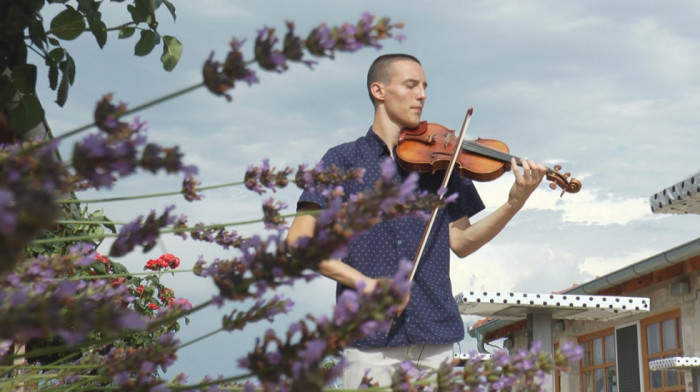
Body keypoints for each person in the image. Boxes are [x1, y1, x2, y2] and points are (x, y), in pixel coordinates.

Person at [286, 53, 547, 388]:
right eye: (411, 85)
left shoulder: (446, 162)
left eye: (424, 86)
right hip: (368, 345)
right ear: (378, 90)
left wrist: (515, 201)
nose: (422, 95)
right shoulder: (340, 160)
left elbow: (462, 242)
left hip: (434, 340)